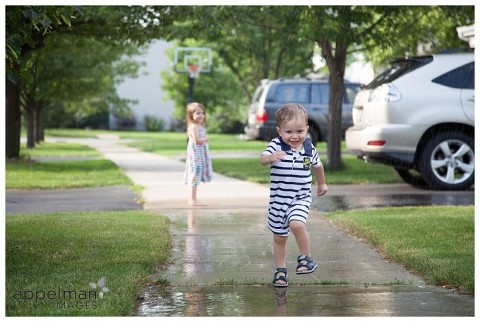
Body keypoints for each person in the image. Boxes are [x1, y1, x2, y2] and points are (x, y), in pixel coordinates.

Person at [260, 103, 328, 287]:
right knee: (279, 238)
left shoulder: (308, 148)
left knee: (297, 224)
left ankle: (307, 258)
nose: (295, 136)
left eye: (299, 131)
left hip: (300, 198)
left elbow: (318, 166)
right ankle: (281, 271)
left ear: (306, 129)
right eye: (289, 131)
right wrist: (270, 157)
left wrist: (321, 183)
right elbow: (262, 158)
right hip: (278, 203)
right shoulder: (275, 145)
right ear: (279, 131)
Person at [184, 102, 213, 206]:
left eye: (202, 113)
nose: (201, 115)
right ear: (191, 115)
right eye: (197, 113)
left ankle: (193, 199)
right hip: (196, 155)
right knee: (194, 176)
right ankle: (192, 200)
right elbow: (197, 141)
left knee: (196, 176)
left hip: (200, 154)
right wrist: (205, 139)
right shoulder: (193, 127)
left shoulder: (199, 126)